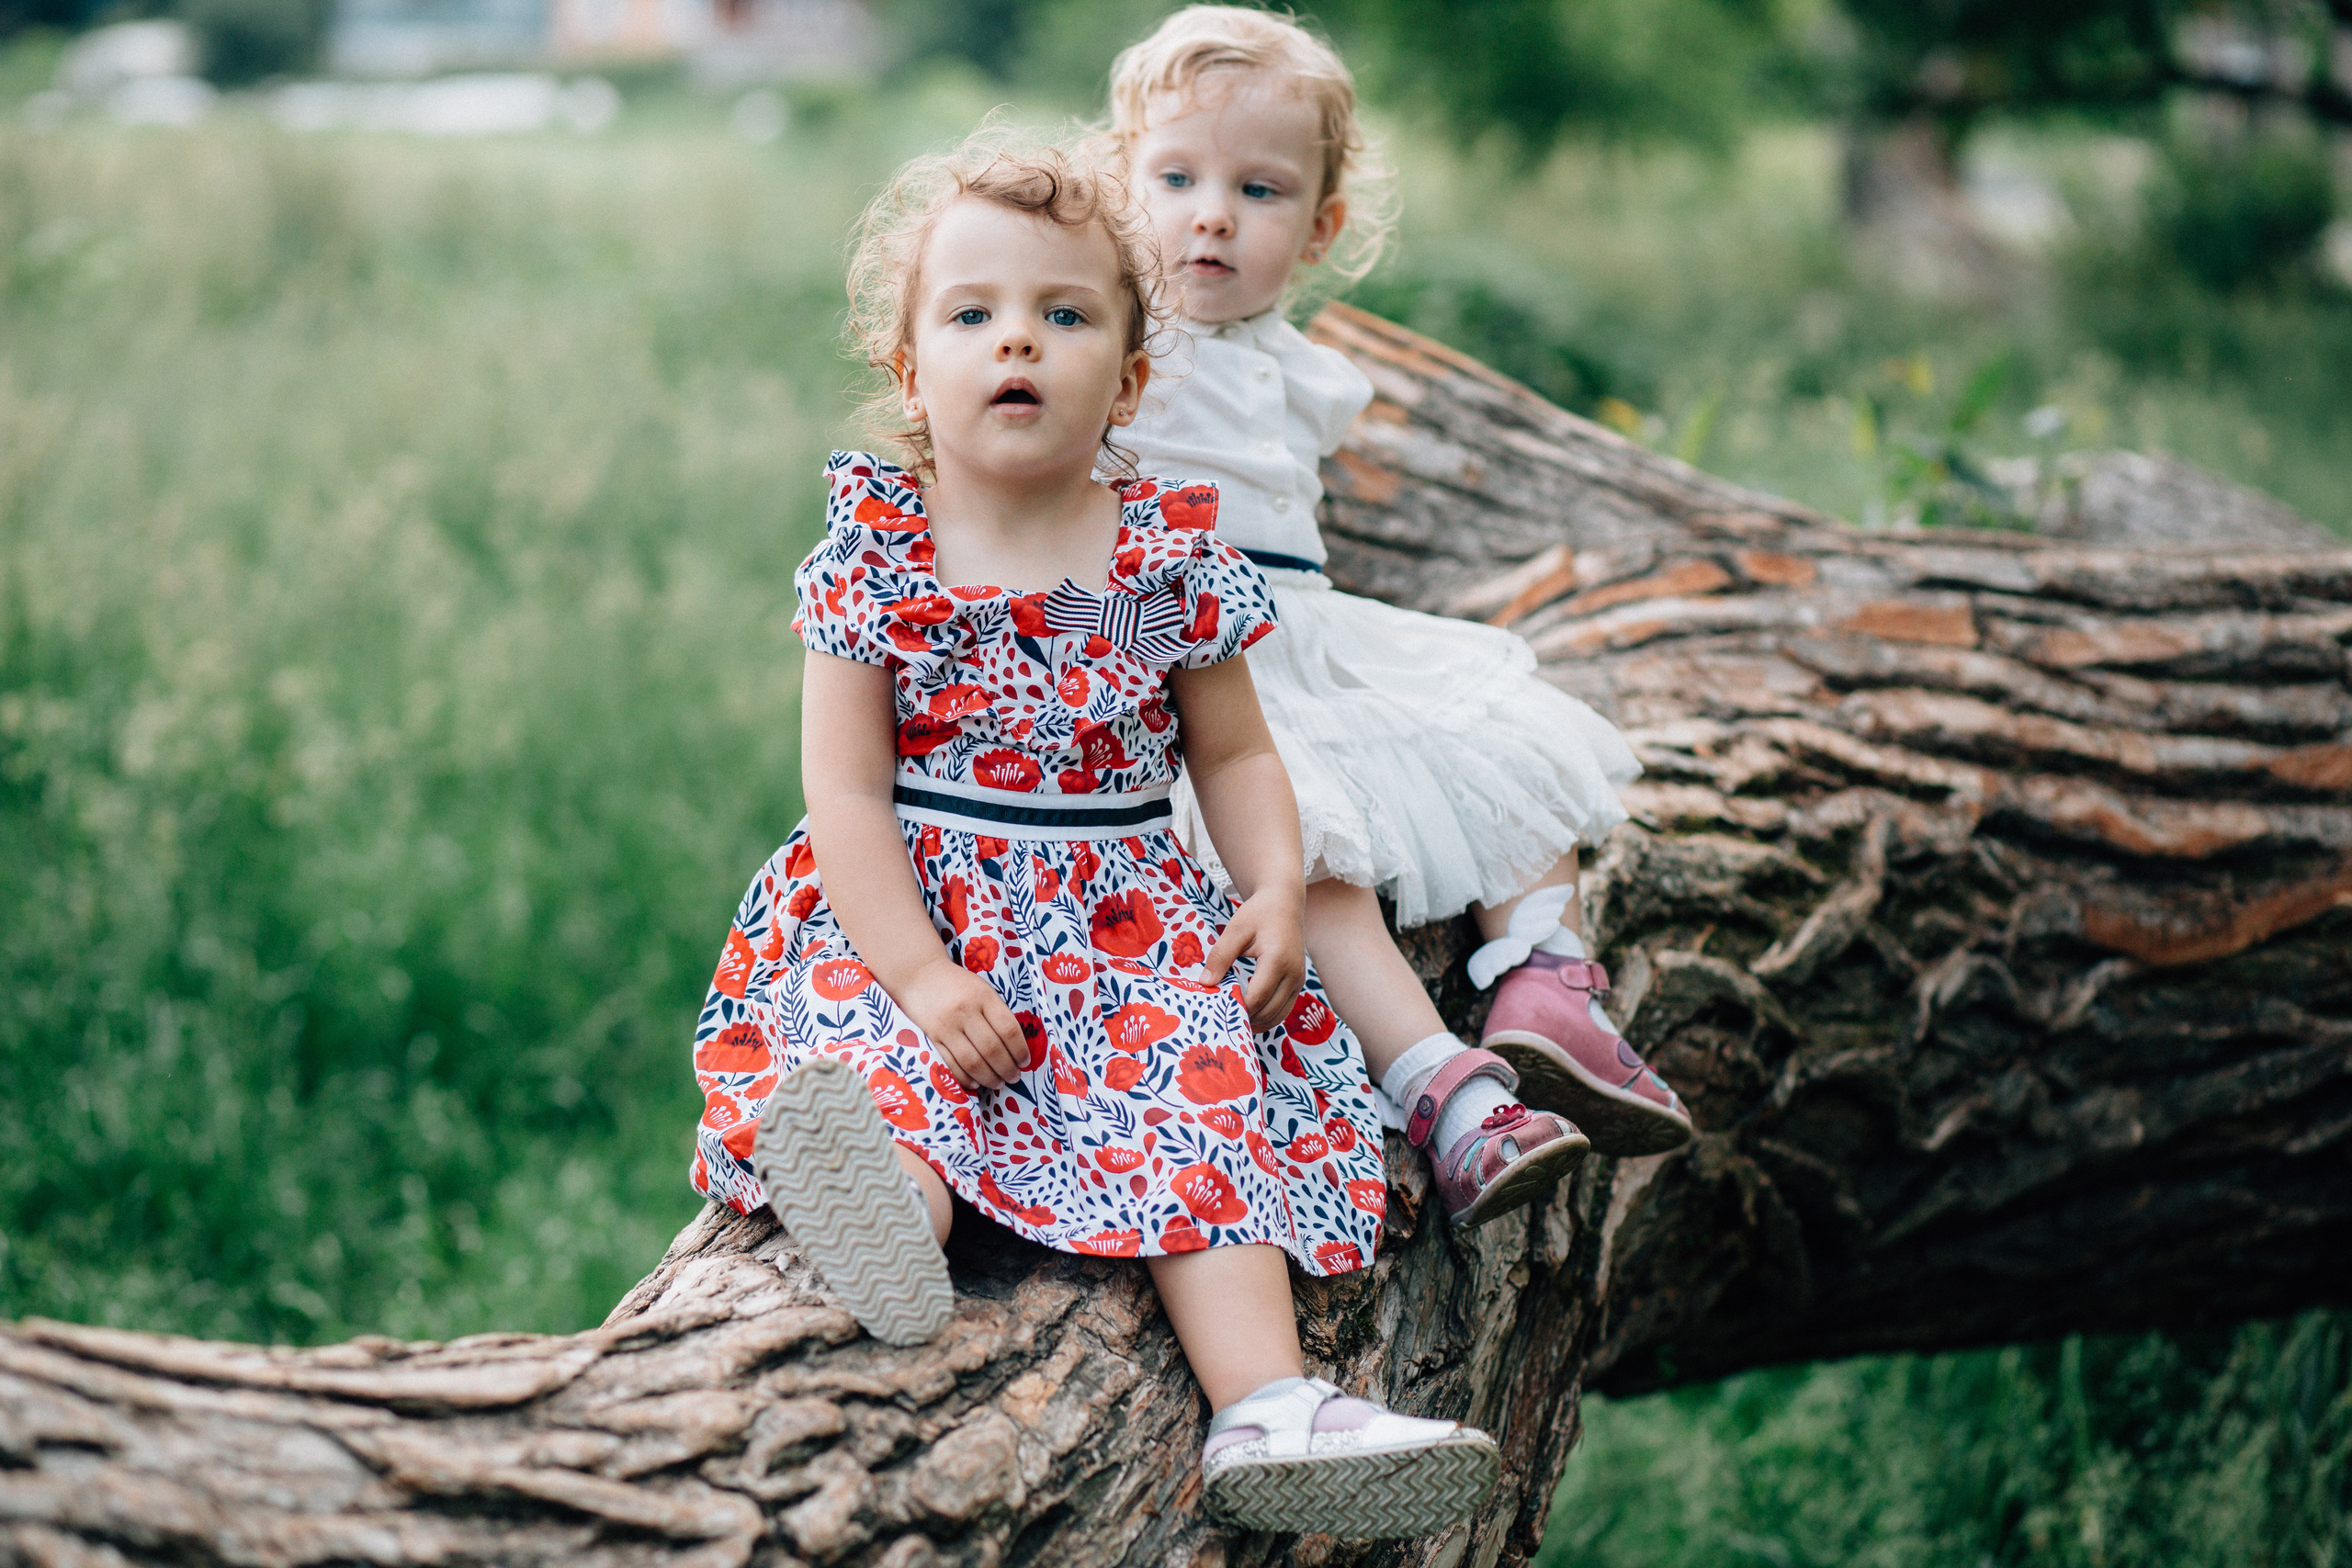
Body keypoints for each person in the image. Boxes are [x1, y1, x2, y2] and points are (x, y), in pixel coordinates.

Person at [687, 130, 1498, 1539]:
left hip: (1121, 920)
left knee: (1196, 1103)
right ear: (909, 365)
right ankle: (881, 1215)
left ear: (1127, 375)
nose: (1019, 342)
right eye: (975, 314)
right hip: (914, 911)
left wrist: (1272, 891)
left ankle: (1268, 1408)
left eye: (1064, 316)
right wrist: (927, 978)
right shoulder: (882, 549)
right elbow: (848, 799)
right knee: (891, 1075)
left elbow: (1232, 747)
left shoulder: (1155, 555)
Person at [1107, 7, 1694, 1225]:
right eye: (1175, 178)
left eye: (1258, 189)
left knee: (1505, 742)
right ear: (1122, 190)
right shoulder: (1117, 342)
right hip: (1197, 667)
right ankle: (1448, 1092)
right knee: (1311, 856)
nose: (1211, 212)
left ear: (1319, 228)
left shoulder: (1298, 361)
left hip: (1313, 639)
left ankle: (1544, 979)